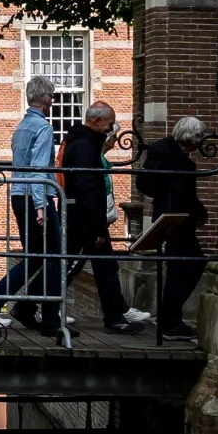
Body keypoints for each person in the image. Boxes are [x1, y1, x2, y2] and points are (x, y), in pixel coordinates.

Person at [60, 99, 143, 335]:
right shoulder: (84, 146)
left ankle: (115, 316)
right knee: (76, 267)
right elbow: (87, 188)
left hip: (86, 220)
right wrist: (95, 227)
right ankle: (114, 318)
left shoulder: (80, 142)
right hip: (85, 222)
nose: (111, 128)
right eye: (109, 123)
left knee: (104, 267)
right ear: (97, 120)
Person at [134, 112, 211, 344]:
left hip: (168, 218)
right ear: (193, 138)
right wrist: (200, 212)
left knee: (182, 267)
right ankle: (170, 322)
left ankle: (170, 319)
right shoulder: (177, 161)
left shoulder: (162, 153)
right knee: (187, 267)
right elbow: (183, 194)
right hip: (177, 220)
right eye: (200, 136)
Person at [7, 76, 61, 334]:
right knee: (55, 258)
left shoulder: (21, 127)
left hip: (19, 196)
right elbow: (39, 169)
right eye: (53, 98)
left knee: (34, 258)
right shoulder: (44, 128)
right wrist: (41, 206)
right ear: (47, 99)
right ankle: (50, 320)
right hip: (35, 198)